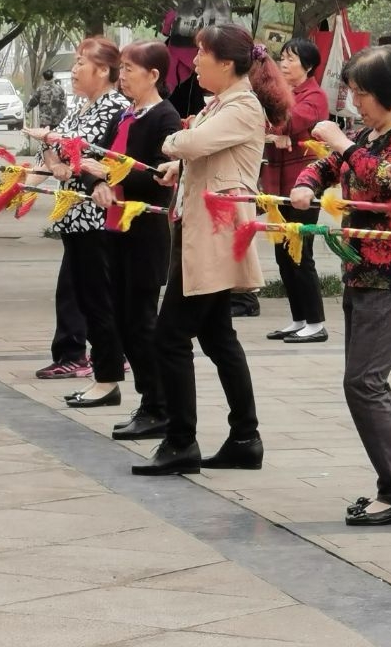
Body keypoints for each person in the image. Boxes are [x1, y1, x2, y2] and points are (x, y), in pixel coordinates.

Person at [132, 24, 290, 475]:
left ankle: (182, 440)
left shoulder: (242, 106)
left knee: (170, 337)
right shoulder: (223, 104)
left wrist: (173, 146)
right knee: (218, 337)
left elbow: (195, 142)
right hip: (202, 231)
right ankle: (245, 437)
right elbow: (203, 155)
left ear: (226, 63)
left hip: (215, 236)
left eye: (202, 54)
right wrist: (176, 165)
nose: (195, 61)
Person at [291, 45, 391, 525]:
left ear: (387, 93)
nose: (354, 103)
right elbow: (329, 166)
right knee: (363, 383)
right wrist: (308, 182)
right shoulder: (369, 133)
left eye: (361, 93)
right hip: (360, 270)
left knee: (364, 382)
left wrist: (342, 145)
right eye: (351, 92)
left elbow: (389, 183)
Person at [86, 41, 182, 440]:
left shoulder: (165, 117)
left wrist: (109, 176)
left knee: (140, 322)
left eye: (129, 69)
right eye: (121, 68)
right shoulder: (126, 114)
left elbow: (160, 178)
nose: (122, 75)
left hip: (145, 230)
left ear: (154, 75)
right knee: (123, 320)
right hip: (115, 226)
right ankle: (149, 402)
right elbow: (98, 159)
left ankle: (158, 406)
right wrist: (95, 180)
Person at [26, 38, 129, 392]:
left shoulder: (114, 108)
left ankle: (89, 357)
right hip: (73, 214)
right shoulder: (82, 107)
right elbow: (59, 155)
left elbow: (89, 161)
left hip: (95, 215)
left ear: (103, 71)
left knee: (88, 291)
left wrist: (58, 156)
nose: (74, 69)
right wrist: (45, 163)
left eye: (82, 62)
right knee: (77, 289)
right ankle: (89, 354)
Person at [263, 38, 331, 343]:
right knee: (282, 254)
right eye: (282, 58)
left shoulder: (315, 96)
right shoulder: (281, 93)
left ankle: (316, 323)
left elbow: (286, 122)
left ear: (308, 65)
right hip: (278, 185)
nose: (283, 64)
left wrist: (273, 131)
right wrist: (272, 132)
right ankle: (298, 318)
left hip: (303, 184)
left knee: (301, 254)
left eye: (290, 59)